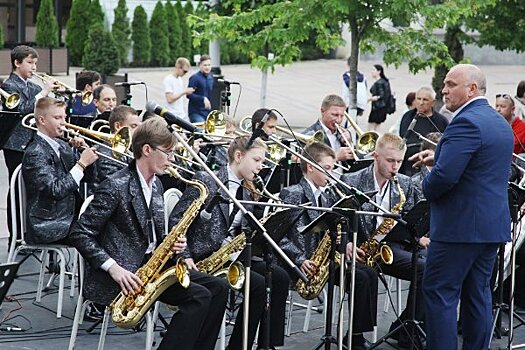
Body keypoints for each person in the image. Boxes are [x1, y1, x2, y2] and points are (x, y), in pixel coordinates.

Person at [68, 117, 228, 350]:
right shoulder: (115, 186)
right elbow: (80, 233)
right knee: (198, 297)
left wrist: (173, 245)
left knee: (219, 288)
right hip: (124, 275)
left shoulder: (157, 185)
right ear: (146, 150)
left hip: (152, 267)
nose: (172, 159)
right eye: (168, 152)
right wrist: (114, 268)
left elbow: (151, 235)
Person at [417, 64, 513, 350]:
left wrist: (427, 183)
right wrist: (441, 156)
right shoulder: (499, 123)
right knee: (478, 295)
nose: (443, 89)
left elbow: (444, 178)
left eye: (450, 83)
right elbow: (481, 167)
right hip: (490, 227)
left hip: (458, 229)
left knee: (439, 293)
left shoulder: (465, 122)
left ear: (472, 88)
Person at [169, 136, 290, 350]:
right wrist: (185, 255)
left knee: (278, 276)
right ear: (238, 156)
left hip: (230, 256)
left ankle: (259, 344)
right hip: (201, 258)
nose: (261, 167)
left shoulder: (247, 189)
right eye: (257, 160)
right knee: (258, 285)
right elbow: (177, 221)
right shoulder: (207, 180)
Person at [279, 142, 378, 350]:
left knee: (369, 273)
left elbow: (332, 230)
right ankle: (356, 339)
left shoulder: (325, 194)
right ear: (312, 167)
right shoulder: (293, 193)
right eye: (328, 168)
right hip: (305, 262)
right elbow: (280, 236)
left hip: (325, 258)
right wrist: (300, 259)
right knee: (359, 278)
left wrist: (347, 244)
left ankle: (356, 335)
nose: (332, 174)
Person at [340, 133, 426, 349]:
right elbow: (339, 220)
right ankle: (356, 337)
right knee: (364, 277)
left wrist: (420, 235)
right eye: (390, 161)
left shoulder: (405, 183)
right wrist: (348, 243)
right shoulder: (351, 180)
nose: (395, 167)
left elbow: (415, 217)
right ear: (375, 156)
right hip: (359, 246)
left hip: (389, 247)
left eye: (399, 161)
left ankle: (407, 329)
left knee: (428, 268)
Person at [1, 45, 59, 247]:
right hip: (15, 145)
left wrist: (54, 98)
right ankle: (14, 235)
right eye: (30, 63)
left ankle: (31, 233)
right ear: (17, 63)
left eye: (35, 63)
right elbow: (22, 109)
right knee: (16, 189)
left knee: (34, 191)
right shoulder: (9, 86)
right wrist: (44, 92)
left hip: (34, 144)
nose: (34, 67)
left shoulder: (33, 87)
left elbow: (43, 111)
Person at [22, 97, 98, 244]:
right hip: (49, 223)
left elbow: (90, 178)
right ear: (42, 120)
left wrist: (84, 152)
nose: (64, 122)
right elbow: (55, 191)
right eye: (57, 117)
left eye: (64, 117)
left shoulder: (63, 146)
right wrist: (81, 163)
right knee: (96, 235)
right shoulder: (35, 152)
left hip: (70, 216)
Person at [398, 86, 449, 176]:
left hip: (428, 167)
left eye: (425, 100)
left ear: (433, 102)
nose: (421, 103)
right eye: (418, 99)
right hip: (406, 166)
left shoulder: (441, 121)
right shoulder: (407, 116)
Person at [94, 105, 141, 184]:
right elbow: (114, 184)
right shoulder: (105, 153)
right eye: (133, 126)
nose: (138, 131)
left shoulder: (130, 149)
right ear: (118, 126)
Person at [303, 94, 355, 163]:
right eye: (334, 115)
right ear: (322, 111)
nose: (339, 120)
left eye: (341, 116)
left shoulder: (343, 133)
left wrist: (349, 144)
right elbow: (308, 165)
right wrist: (335, 157)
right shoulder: (310, 135)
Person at [163, 57, 194, 122]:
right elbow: (169, 99)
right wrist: (184, 92)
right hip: (172, 114)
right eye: (185, 71)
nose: (185, 73)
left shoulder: (179, 79)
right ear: (178, 67)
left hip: (181, 114)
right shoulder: (168, 79)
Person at [188, 55, 213, 123]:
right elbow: (189, 95)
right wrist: (203, 98)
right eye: (205, 65)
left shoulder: (211, 78)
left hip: (208, 113)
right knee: (201, 132)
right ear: (200, 66)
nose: (207, 67)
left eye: (209, 65)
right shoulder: (194, 78)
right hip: (196, 113)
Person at [368, 64, 392, 132]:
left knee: (371, 128)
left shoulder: (379, 83)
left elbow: (381, 95)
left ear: (379, 71)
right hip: (382, 108)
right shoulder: (384, 81)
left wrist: (370, 99)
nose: (372, 72)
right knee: (377, 128)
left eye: (373, 70)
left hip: (377, 108)